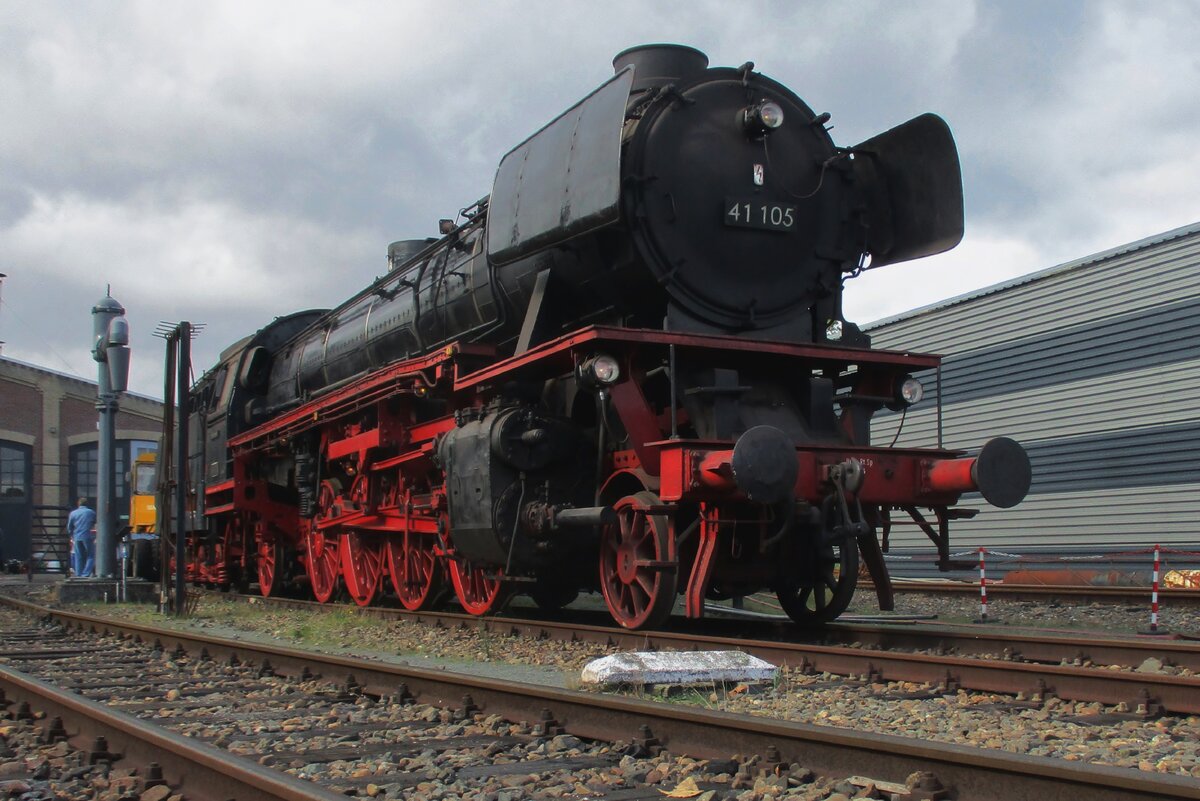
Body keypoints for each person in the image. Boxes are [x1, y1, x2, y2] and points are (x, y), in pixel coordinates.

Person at [66, 498, 97, 578]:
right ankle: (86, 574)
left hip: (77, 536)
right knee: (91, 555)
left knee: (79, 556)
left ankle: (79, 574)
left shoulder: (73, 513)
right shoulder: (91, 512)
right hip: (87, 536)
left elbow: (69, 527)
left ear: (78, 504)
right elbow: (96, 523)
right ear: (87, 504)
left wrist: (72, 535)